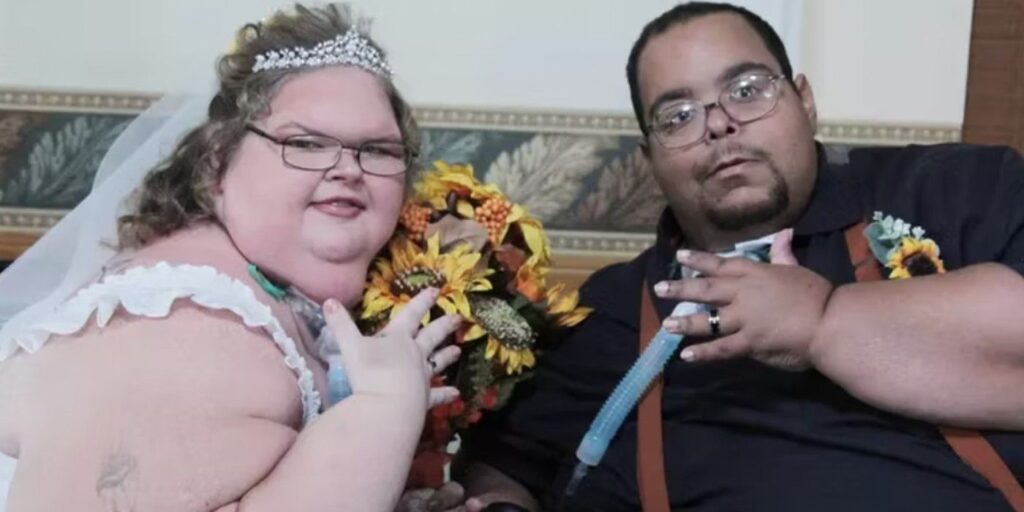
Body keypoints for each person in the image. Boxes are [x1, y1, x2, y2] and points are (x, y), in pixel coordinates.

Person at [456, 2, 1024, 511]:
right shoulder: (606, 316)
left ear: (804, 101)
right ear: (649, 157)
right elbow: (507, 470)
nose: (720, 124)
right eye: (678, 116)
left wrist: (822, 322)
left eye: (747, 89)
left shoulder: (957, 192)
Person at [0, 4, 465, 511]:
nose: (348, 169)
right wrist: (385, 410)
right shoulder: (190, 330)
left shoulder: (255, 300)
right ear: (216, 166)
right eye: (305, 143)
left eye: (377, 150)